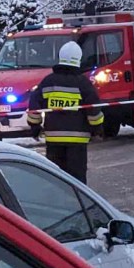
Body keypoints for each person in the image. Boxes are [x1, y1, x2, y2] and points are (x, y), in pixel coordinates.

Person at [26, 41, 104, 182]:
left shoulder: (48, 81)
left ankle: (59, 203)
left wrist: (35, 126)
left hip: (53, 139)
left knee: (58, 180)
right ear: (78, 60)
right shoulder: (83, 83)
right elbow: (93, 110)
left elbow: (34, 106)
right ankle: (78, 203)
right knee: (77, 180)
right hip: (78, 141)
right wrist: (97, 128)